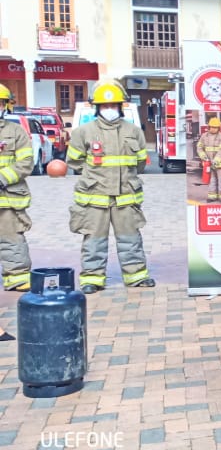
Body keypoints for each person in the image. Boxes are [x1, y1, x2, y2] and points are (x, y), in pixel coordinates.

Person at [66, 79, 154, 293]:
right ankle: (92, 279)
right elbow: (74, 162)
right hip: (94, 197)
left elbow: (140, 163)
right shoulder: (83, 132)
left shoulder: (134, 131)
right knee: (94, 241)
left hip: (126, 196)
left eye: (113, 105)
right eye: (105, 106)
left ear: (120, 107)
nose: (109, 109)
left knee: (130, 238)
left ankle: (136, 276)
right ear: (97, 108)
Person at [0, 84, 33, 292]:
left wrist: (2, 177)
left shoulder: (16, 132)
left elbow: (26, 162)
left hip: (7, 197)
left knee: (11, 238)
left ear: (5, 106)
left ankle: (17, 278)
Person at [196, 116, 221, 204]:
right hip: (210, 164)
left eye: (216, 127)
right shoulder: (204, 136)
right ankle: (212, 196)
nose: (214, 129)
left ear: (219, 128)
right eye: (212, 127)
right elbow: (199, 148)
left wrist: (216, 161)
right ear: (209, 127)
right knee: (212, 181)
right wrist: (203, 156)